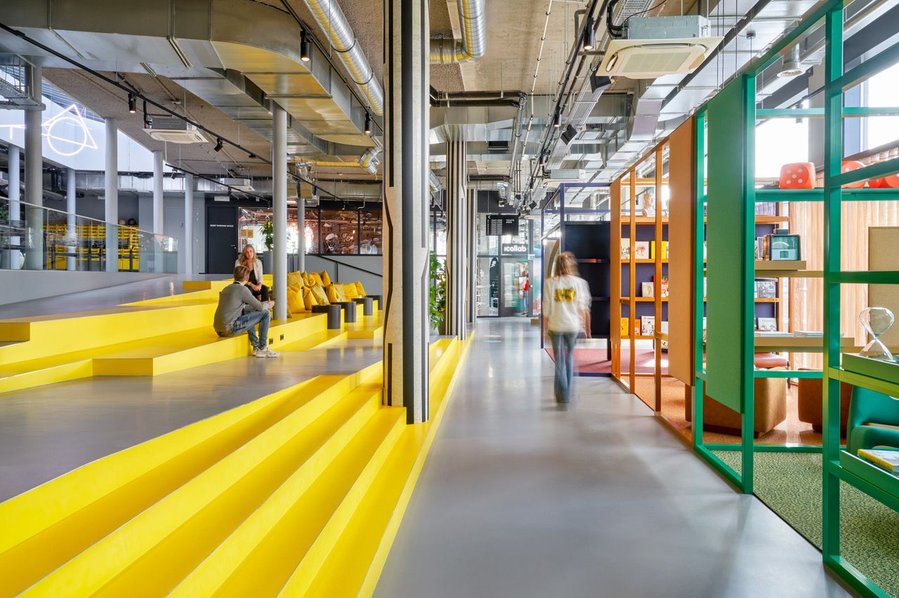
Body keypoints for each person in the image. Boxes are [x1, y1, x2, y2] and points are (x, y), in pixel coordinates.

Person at [543, 251, 590, 405]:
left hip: (556, 325)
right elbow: (583, 308)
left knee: (559, 361)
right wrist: (587, 330)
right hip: (572, 326)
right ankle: (567, 394)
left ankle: (561, 395)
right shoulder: (580, 283)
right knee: (569, 358)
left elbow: (546, 310)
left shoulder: (550, 283)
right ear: (571, 265)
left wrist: (545, 330)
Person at [214, 265, 279, 358]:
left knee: (249, 311)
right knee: (265, 314)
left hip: (218, 329)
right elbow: (260, 307)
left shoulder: (226, 288)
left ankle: (256, 347)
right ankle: (263, 348)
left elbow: (243, 308)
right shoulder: (242, 290)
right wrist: (269, 304)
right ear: (247, 278)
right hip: (230, 329)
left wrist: (259, 306)